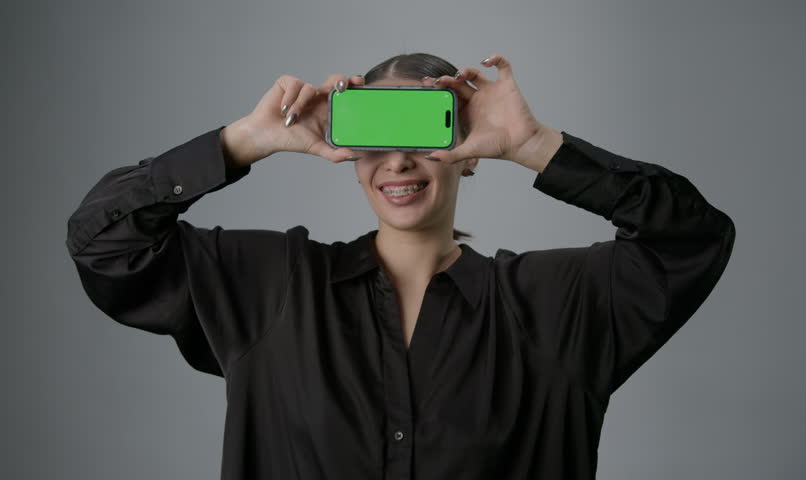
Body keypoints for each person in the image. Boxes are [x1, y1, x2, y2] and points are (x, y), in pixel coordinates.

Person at [66, 52, 736, 479]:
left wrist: (536, 145)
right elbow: (104, 241)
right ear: (348, 149)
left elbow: (692, 238)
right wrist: (244, 141)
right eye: (376, 133)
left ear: (470, 150)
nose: (398, 160)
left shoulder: (557, 305)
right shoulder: (271, 287)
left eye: (426, 131)